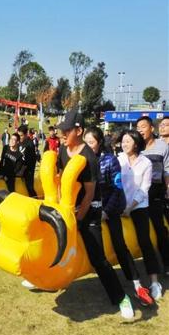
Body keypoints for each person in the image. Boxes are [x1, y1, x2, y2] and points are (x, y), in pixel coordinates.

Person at [56, 110, 134, 319]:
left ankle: (121, 297)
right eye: (62, 130)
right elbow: (61, 179)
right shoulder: (63, 150)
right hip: (68, 210)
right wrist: (61, 207)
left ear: (78, 131)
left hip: (88, 212)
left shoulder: (88, 157)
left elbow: (90, 193)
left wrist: (78, 219)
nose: (62, 134)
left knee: (98, 258)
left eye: (67, 130)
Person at [85, 127, 155, 306]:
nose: (88, 146)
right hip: (90, 209)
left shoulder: (110, 160)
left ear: (99, 143)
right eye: (86, 142)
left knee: (119, 245)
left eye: (91, 142)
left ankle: (137, 285)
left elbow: (117, 190)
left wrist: (106, 211)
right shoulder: (82, 160)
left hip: (111, 209)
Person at [117, 129, 163, 301]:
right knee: (120, 243)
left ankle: (154, 282)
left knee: (145, 241)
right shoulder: (118, 159)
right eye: (123, 141)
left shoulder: (146, 162)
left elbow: (144, 189)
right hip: (119, 206)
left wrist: (130, 207)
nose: (124, 144)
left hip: (138, 207)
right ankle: (136, 282)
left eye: (127, 141)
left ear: (136, 144)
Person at [136, 116, 169, 274]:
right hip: (138, 193)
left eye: (143, 126)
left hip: (156, 192)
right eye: (138, 127)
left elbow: (167, 170)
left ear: (151, 128)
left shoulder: (162, 146)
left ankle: (167, 263)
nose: (140, 130)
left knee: (159, 228)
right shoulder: (136, 146)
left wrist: (168, 188)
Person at [18, 125, 37, 197]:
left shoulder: (30, 144)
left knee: (30, 188)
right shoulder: (19, 142)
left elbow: (29, 161)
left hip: (28, 170)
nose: (20, 137)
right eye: (19, 135)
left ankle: (35, 200)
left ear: (26, 134)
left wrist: (22, 171)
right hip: (20, 168)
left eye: (21, 135)